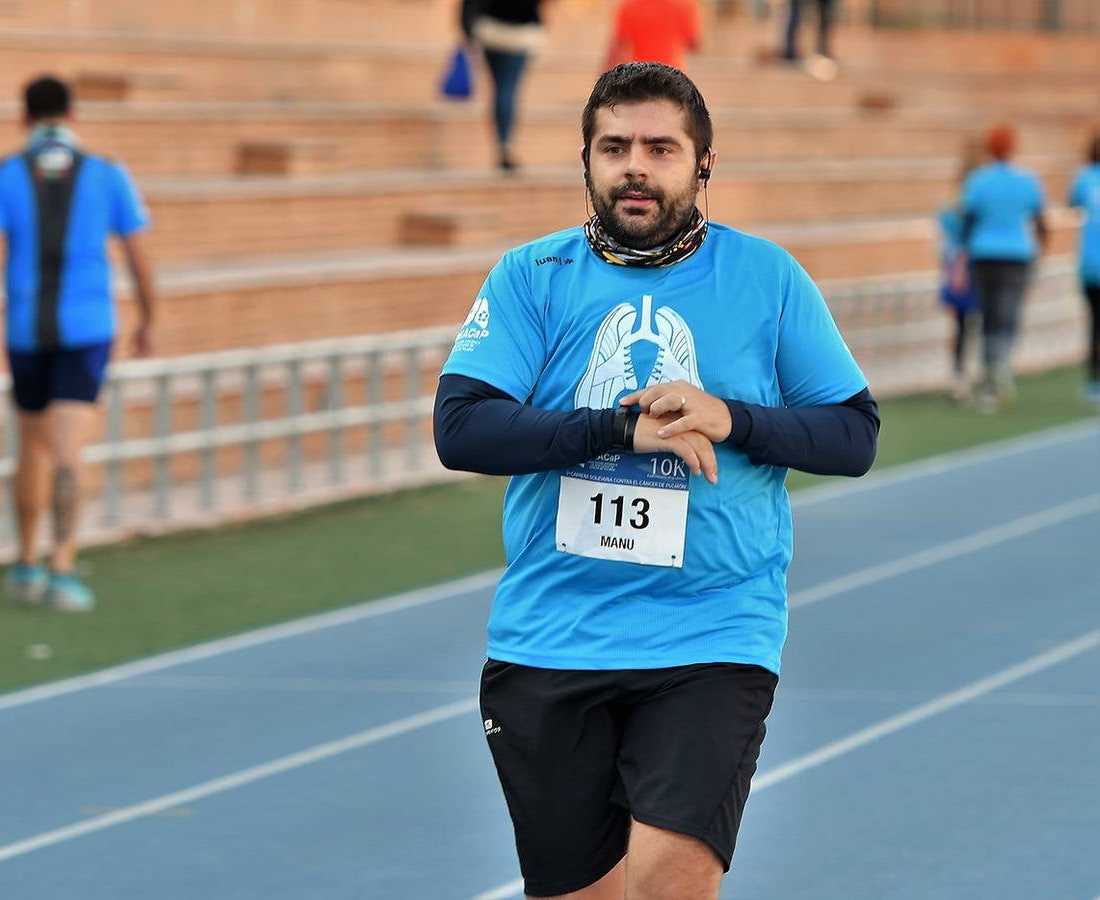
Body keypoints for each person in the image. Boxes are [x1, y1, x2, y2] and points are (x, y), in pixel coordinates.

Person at [434, 62, 878, 899]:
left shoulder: (766, 279)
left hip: (711, 631)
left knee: (670, 880)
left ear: (701, 163)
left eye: (659, 148)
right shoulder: (532, 277)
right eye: (614, 147)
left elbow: (852, 435)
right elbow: (461, 428)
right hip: (550, 636)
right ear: (587, 160)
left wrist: (733, 417)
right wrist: (615, 428)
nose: (634, 165)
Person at [0, 75, 156, 611]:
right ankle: (62, 567)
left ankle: (25, 562)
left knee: (30, 444)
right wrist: (150, 317)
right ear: (73, 115)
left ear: (23, 118)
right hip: (87, 329)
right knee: (68, 449)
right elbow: (139, 252)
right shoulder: (107, 173)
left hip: (27, 329)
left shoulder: (2, 175)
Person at [961, 123, 1047, 411]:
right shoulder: (1027, 180)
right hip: (1016, 254)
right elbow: (1040, 222)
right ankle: (1002, 363)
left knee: (988, 315)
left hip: (984, 254)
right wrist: (1039, 253)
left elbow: (968, 220)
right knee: (1009, 312)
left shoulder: (978, 181)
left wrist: (964, 251)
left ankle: (989, 375)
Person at [463, 0, 547, 171]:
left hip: (490, 28)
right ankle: (505, 146)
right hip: (520, 31)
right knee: (507, 89)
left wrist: (467, 27)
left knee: (500, 89)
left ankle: (502, 144)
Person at [938, 136, 985, 403]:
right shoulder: (971, 201)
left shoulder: (956, 202)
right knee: (971, 323)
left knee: (961, 324)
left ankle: (959, 375)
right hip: (968, 265)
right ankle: (965, 375)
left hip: (956, 263)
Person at [1067, 133, 1100, 406]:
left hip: (1090, 263)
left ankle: (1093, 380)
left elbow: (1073, 203)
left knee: (1095, 323)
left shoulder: (1085, 177)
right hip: (1091, 262)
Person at [605, 0, 701, 72]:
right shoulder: (683, 4)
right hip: (673, 73)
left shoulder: (630, 6)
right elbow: (695, 44)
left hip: (641, 72)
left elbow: (617, 47)